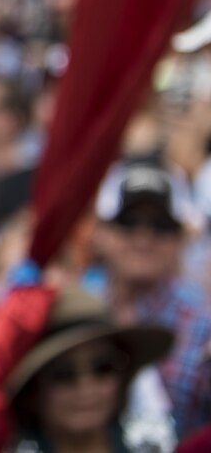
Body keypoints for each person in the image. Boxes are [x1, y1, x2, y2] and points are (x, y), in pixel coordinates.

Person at [89, 161, 211, 438]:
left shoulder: (206, 325)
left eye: (161, 225)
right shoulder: (75, 309)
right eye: (128, 222)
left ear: (182, 237)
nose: (143, 238)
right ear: (100, 233)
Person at [4, 287, 174, 453]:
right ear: (34, 390)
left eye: (103, 368)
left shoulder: (155, 445)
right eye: (64, 374)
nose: (86, 386)